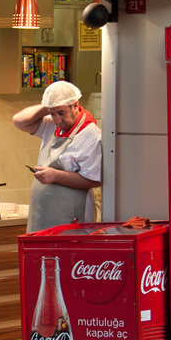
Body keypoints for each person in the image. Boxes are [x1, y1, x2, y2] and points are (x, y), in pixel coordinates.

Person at [12, 81, 102, 232]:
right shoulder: (52, 126)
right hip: (42, 216)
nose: (57, 120)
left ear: (75, 105)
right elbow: (19, 121)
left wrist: (56, 176)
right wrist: (49, 105)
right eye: (52, 114)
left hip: (72, 218)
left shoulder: (91, 135)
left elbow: (93, 180)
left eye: (62, 113)